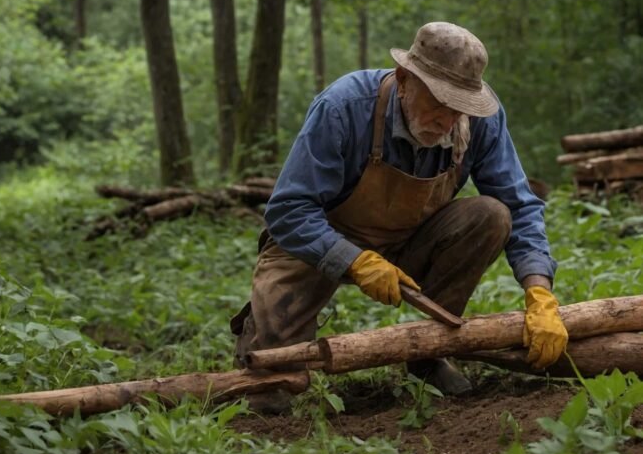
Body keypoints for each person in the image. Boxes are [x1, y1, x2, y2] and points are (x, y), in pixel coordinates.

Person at [230, 21, 569, 411]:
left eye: (460, 108)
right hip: (320, 243)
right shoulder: (343, 107)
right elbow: (289, 210)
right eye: (439, 103)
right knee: (270, 390)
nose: (449, 120)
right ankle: (263, 346)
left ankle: (427, 357)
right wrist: (355, 261)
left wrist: (539, 292)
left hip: (410, 240)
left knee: (491, 215)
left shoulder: (480, 120)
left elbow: (519, 204)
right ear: (405, 79)